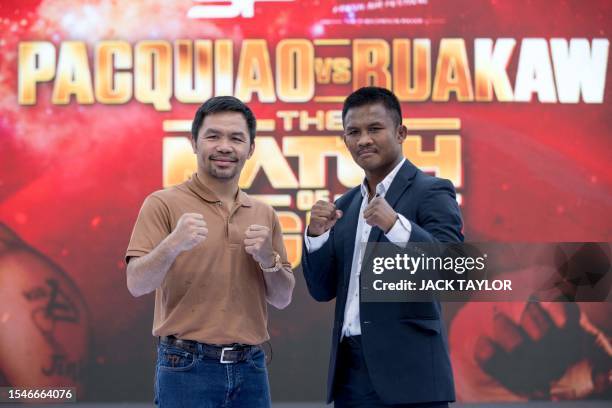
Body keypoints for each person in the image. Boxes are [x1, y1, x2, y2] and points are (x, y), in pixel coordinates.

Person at [125, 96, 295, 408]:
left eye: (236, 138)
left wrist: (268, 259)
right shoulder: (162, 203)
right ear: (194, 142)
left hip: (252, 367)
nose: (224, 147)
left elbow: (283, 298)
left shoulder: (263, 213)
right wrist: (173, 243)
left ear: (251, 148)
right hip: (186, 366)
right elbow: (136, 284)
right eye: (213, 136)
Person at [302, 87, 463, 407]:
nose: (363, 140)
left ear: (400, 132)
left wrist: (396, 226)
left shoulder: (431, 191)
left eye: (374, 129)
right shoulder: (345, 206)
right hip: (350, 375)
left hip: (411, 375)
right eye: (353, 132)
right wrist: (316, 236)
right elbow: (321, 290)